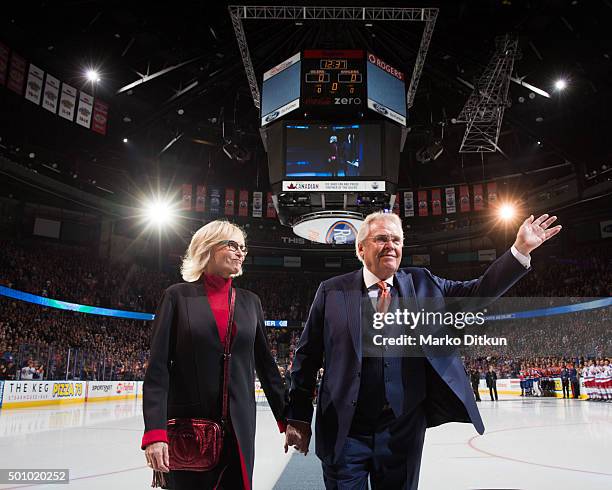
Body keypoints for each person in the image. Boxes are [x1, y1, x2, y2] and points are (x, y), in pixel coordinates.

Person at [285, 211, 561, 489]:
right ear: (361, 248)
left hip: (401, 429)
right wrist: (298, 417)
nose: (390, 245)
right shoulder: (331, 291)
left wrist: (520, 251)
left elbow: (478, 292)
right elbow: (306, 359)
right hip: (344, 430)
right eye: (381, 238)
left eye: (396, 239)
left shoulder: (422, 283)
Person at [141, 220, 286, 490]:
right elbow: (158, 370)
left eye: (243, 247)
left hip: (239, 431)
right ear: (207, 248)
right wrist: (155, 433)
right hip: (190, 432)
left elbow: (266, 366)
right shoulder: (176, 297)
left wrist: (287, 419)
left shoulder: (250, 302)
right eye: (232, 245)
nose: (240, 252)